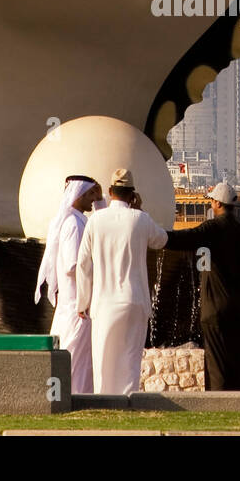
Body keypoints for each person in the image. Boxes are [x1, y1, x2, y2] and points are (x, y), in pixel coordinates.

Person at [76, 168, 168, 394]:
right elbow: (162, 240)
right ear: (132, 194)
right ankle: (127, 402)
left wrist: (82, 302)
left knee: (103, 358)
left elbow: (83, 264)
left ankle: (104, 401)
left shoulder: (95, 220)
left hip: (104, 302)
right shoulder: (141, 219)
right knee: (130, 359)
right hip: (134, 300)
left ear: (109, 192)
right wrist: (140, 210)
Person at [160, 181, 240, 390]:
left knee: (217, 366)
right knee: (238, 365)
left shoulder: (212, 228)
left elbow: (184, 238)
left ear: (218, 203)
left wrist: (156, 235)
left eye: (212, 200)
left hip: (216, 311)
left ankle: (219, 405)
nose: (211, 204)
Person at [33, 174, 102, 393]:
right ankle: (70, 398)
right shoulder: (73, 223)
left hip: (78, 305)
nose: (93, 199)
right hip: (76, 306)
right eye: (91, 194)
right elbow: (72, 266)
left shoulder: (79, 219)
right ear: (80, 193)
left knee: (82, 360)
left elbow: (104, 224)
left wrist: (101, 201)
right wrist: (98, 267)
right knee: (74, 358)